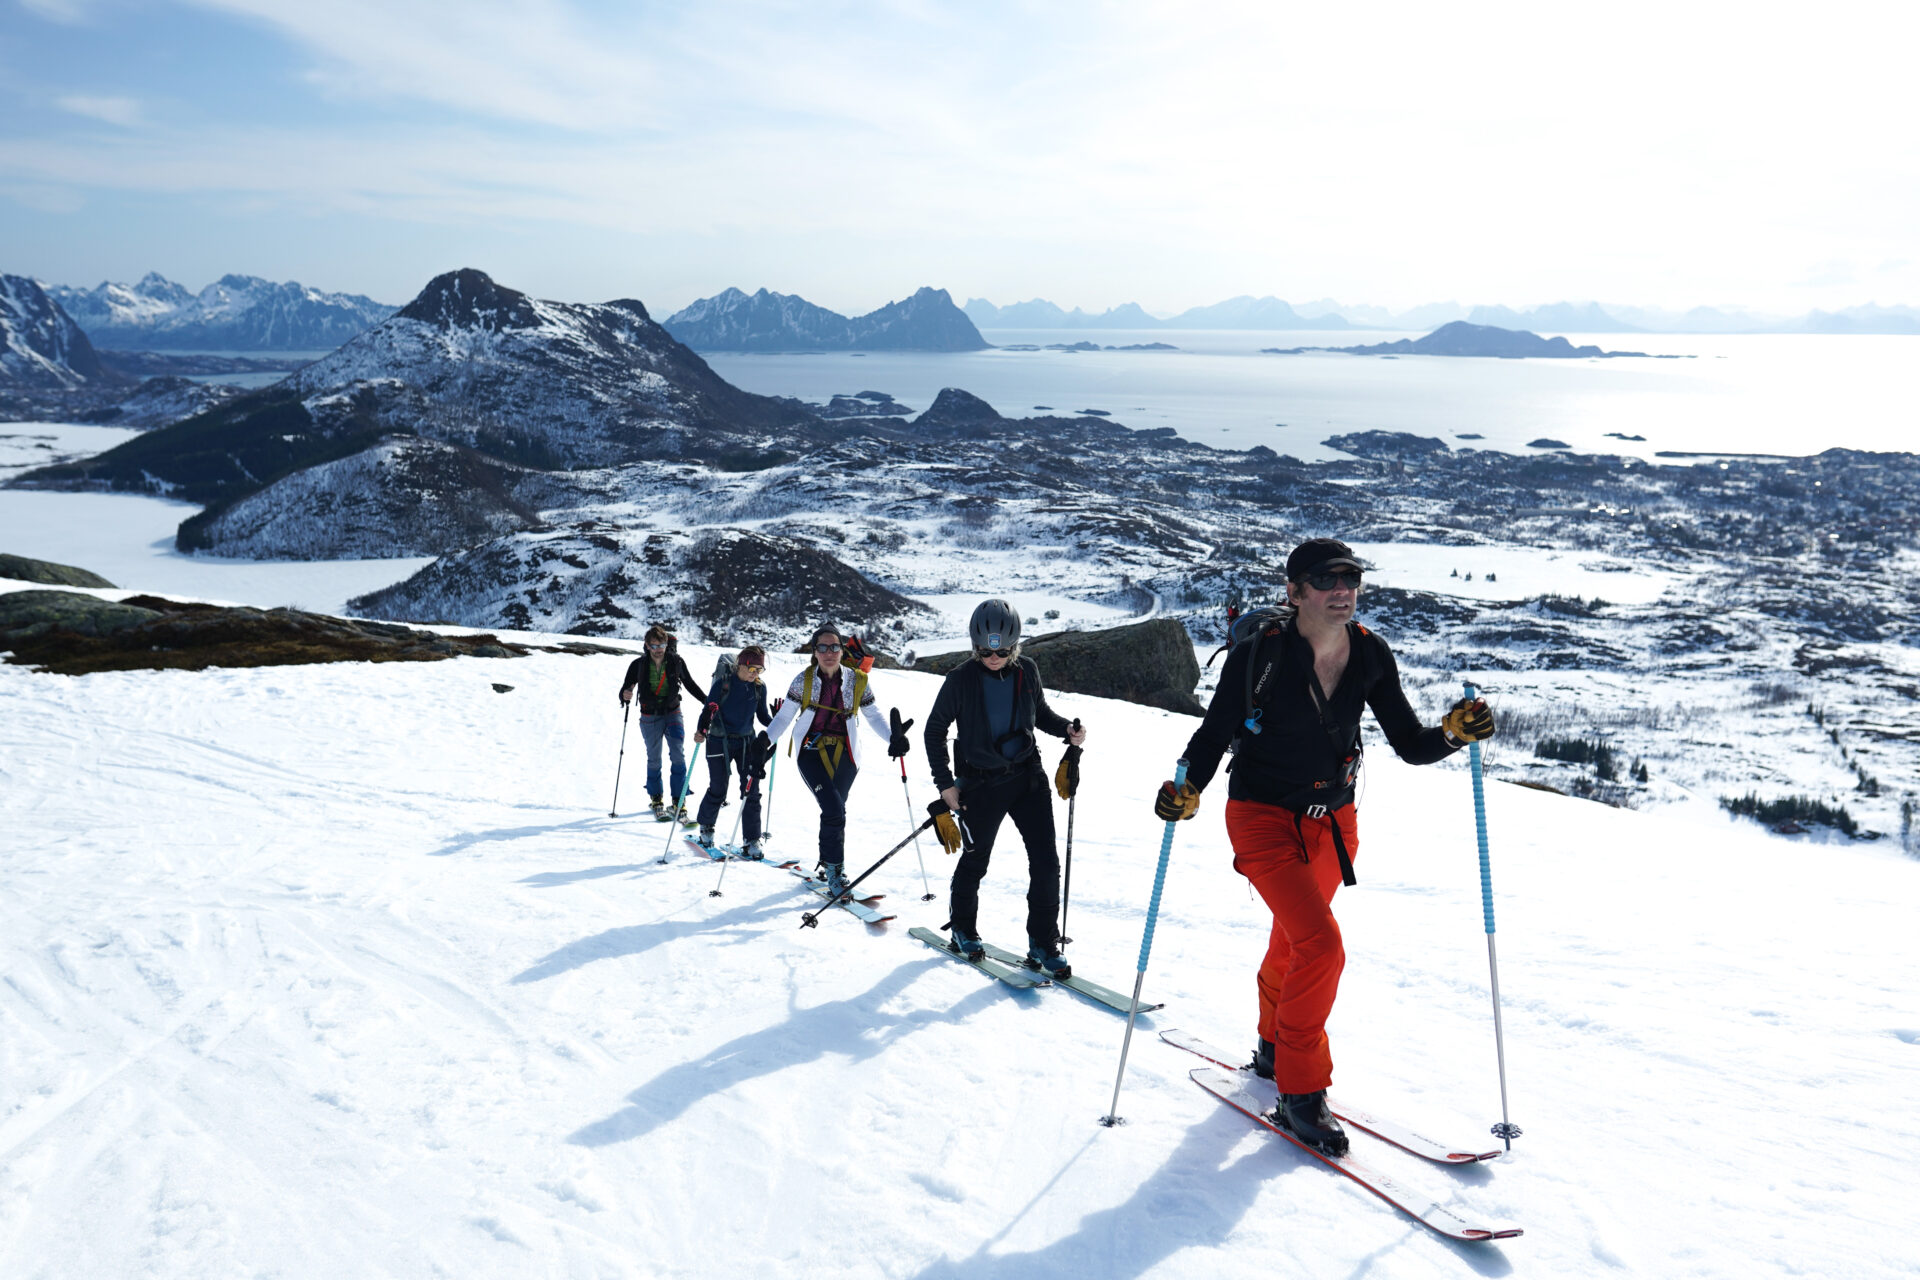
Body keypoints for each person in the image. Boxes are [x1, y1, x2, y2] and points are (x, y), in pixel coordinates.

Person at [1156, 538, 1494, 1155]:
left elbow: (1411, 744)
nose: (1343, 590)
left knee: (1294, 941)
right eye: (1326, 580)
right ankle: (1300, 1091)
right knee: (1322, 944)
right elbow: (1213, 735)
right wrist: (1189, 789)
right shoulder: (1261, 655)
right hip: (1260, 817)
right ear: (1295, 591)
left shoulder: (1369, 654)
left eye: (1351, 579)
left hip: (1333, 825)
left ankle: (1271, 1045)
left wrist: (1451, 733)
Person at [923, 599, 1087, 975]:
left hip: (1028, 777)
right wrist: (945, 784)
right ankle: (963, 928)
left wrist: (1066, 730)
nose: (993, 657)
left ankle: (1043, 942)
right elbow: (935, 731)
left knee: (1046, 862)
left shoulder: (1026, 670)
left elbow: (1040, 714)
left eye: (1001, 650)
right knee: (976, 860)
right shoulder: (960, 679)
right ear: (974, 646)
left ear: (1015, 647)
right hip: (980, 784)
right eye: (984, 650)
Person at [764, 624, 911, 896]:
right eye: (823, 647)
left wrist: (893, 739)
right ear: (814, 651)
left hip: (846, 754)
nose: (829, 652)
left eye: (834, 647)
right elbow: (784, 717)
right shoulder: (803, 680)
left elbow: (874, 716)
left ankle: (826, 861)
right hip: (810, 751)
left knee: (835, 811)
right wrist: (764, 742)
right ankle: (835, 872)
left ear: (842, 650)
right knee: (834, 810)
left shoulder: (856, 681)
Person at [692, 645, 775, 858]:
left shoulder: (758, 687)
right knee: (719, 788)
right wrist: (701, 730)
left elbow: (763, 716)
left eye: (759, 670)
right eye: (752, 668)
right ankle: (706, 827)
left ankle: (752, 839)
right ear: (741, 664)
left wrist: (777, 720)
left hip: (748, 743)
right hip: (719, 741)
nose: (755, 673)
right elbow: (708, 709)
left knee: (751, 790)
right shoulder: (723, 684)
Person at [618, 625, 708, 818]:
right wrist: (625, 694)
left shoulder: (676, 661)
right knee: (654, 757)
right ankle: (656, 797)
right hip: (649, 716)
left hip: (673, 712)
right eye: (654, 645)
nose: (659, 649)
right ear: (647, 646)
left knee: (678, 754)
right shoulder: (638, 665)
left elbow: (690, 683)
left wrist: (707, 702)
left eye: (662, 645)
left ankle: (679, 799)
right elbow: (625, 688)